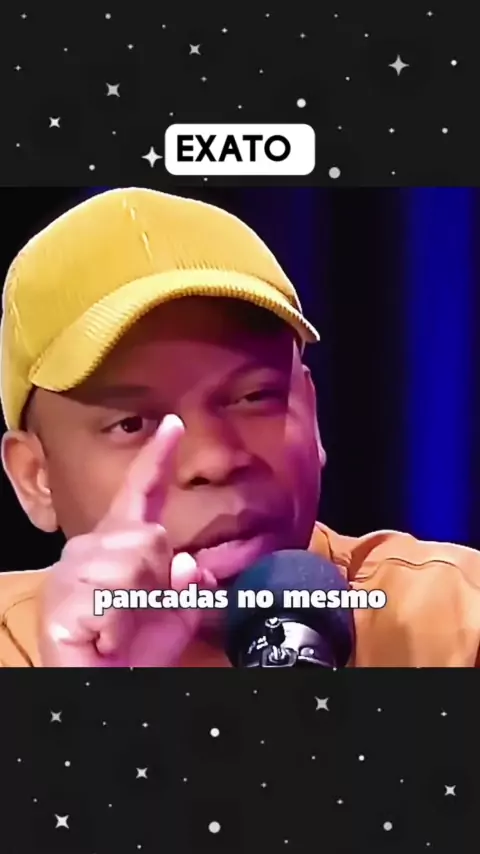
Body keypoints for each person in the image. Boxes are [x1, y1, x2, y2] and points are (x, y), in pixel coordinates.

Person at [0, 187, 479, 668]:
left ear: (311, 413)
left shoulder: (453, 624)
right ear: (35, 478)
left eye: (254, 397)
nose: (215, 458)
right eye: (131, 424)